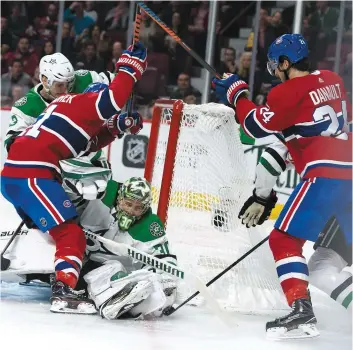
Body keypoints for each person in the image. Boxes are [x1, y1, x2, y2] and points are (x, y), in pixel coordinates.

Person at [212, 34, 352, 339]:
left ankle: (301, 312)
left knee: (284, 241)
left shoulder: (285, 94)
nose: (274, 70)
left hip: (326, 175)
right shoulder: (332, 79)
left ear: (286, 63)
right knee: (324, 264)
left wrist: (237, 95)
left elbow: (254, 126)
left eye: (276, 65)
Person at [1, 42, 147, 315]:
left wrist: (117, 127)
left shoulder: (64, 106)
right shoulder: (82, 102)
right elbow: (114, 98)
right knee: (71, 233)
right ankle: (64, 290)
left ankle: (60, 266)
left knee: (56, 229)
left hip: (20, 175)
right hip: (32, 175)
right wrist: (130, 69)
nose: (64, 87)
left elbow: (86, 143)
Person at [239, 139, 352, 310]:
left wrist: (261, 197)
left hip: (340, 188)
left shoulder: (300, 119)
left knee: (284, 239)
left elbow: (271, 159)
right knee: (322, 268)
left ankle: (301, 309)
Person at [76, 176, 177, 320]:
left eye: (138, 208)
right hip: (74, 259)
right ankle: (113, 297)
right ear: (119, 198)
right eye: (128, 204)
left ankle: (123, 300)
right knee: (113, 267)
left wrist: (163, 279)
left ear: (145, 207)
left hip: (105, 272)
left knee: (118, 269)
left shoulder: (150, 226)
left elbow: (163, 259)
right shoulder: (103, 194)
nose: (130, 211)